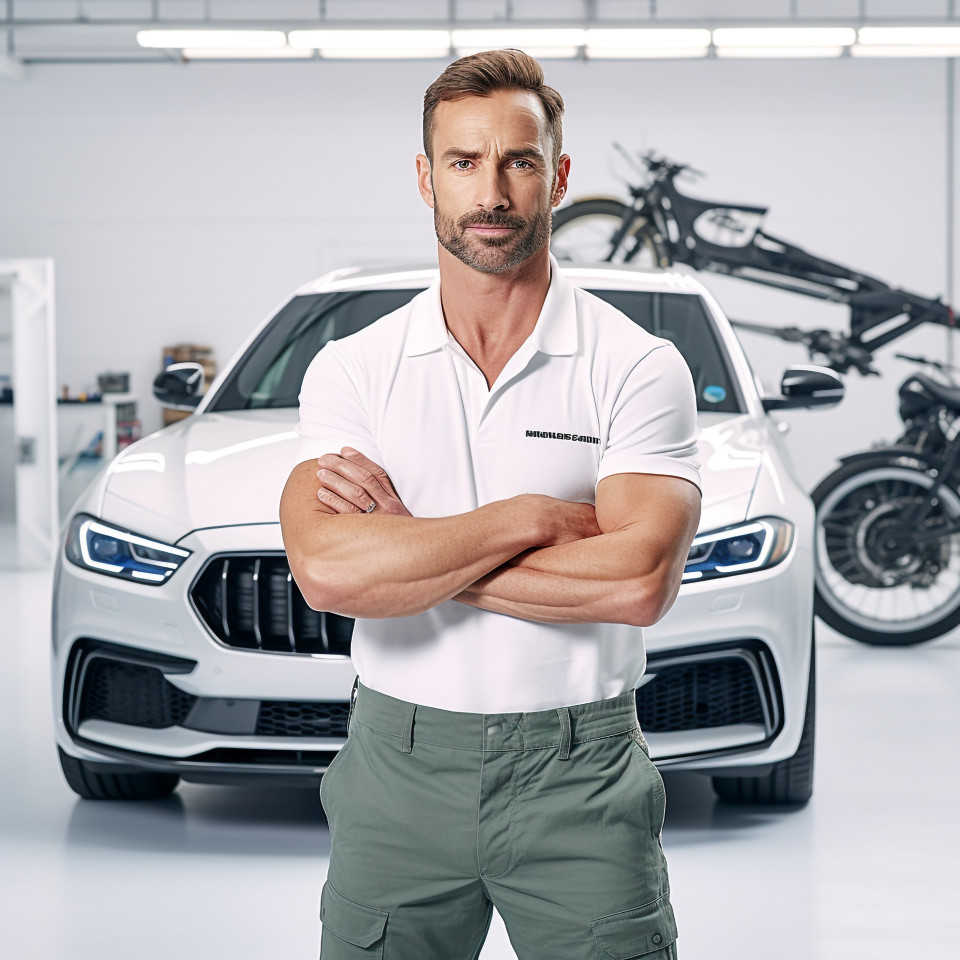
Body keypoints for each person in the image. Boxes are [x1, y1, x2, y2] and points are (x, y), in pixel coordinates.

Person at [279, 48, 701, 960]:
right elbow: (325, 570)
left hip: (580, 773)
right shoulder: (354, 368)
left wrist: (410, 555)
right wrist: (531, 517)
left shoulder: (635, 365)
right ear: (427, 179)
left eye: (518, 160)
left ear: (558, 175)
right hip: (397, 768)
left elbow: (635, 583)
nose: (493, 191)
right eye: (465, 162)